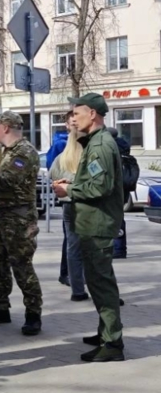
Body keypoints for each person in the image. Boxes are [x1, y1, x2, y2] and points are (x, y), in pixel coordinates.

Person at [52, 92, 125, 362]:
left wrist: (68, 189)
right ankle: (106, 332)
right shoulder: (94, 141)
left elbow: (99, 186)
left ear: (92, 114)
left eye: (77, 113)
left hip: (98, 224)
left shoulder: (101, 145)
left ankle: (113, 343)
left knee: (102, 284)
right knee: (97, 282)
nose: (73, 118)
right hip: (92, 222)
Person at [0, 111, 43, 336]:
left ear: (6, 127)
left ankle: (33, 313)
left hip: (19, 217)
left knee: (22, 264)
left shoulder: (24, 152)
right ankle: (1, 306)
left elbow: (7, 178)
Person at [49, 119, 89, 301]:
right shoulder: (89, 156)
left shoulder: (62, 158)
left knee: (73, 247)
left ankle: (77, 289)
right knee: (92, 247)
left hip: (68, 205)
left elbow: (52, 177)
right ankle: (93, 284)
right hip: (87, 205)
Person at [48, 113, 72, 287]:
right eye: (73, 122)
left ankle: (74, 273)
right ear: (67, 124)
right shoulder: (61, 144)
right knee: (70, 238)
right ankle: (66, 273)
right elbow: (52, 167)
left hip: (78, 195)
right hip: (68, 197)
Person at [107, 126, 132, 259]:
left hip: (113, 188)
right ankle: (120, 248)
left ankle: (117, 249)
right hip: (124, 188)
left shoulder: (110, 147)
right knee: (119, 218)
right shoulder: (124, 148)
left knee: (113, 219)